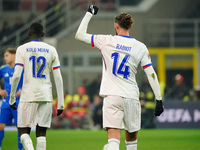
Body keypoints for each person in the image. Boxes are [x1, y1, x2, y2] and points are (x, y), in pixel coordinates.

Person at [75, 5, 164, 150]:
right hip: (131, 96)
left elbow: (79, 35)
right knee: (131, 143)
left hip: (112, 95)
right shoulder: (140, 47)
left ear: (116, 26)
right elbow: (151, 73)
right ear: (130, 26)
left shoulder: (106, 41)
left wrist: (89, 13)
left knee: (113, 142)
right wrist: (159, 99)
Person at [9, 22, 64, 150]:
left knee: (23, 132)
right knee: (41, 134)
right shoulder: (52, 50)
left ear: (28, 33)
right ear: (43, 34)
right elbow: (58, 78)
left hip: (28, 94)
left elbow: (16, 75)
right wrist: (60, 103)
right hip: (45, 95)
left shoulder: (22, 49)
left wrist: (12, 97)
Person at [0, 48, 23, 150]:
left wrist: (23, 90)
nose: (5, 58)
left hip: (19, 102)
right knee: (0, 126)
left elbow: (30, 81)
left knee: (20, 127)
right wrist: (0, 91)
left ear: (14, 56)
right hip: (6, 102)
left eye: (6, 55)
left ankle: (20, 149)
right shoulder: (3, 69)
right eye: (4, 56)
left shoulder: (22, 68)